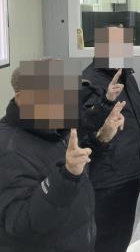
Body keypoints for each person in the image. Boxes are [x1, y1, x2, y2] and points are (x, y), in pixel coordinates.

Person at [0, 60, 124, 252]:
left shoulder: (52, 126)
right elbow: (21, 223)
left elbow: (74, 162)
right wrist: (67, 175)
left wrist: (102, 138)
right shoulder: (7, 148)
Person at [80, 50, 140, 252]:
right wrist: (105, 112)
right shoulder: (89, 82)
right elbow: (83, 133)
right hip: (109, 177)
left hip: (131, 169)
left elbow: (133, 111)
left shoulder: (126, 75)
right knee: (107, 240)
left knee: (122, 235)